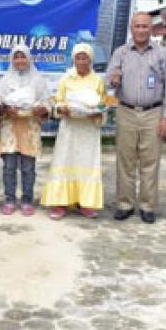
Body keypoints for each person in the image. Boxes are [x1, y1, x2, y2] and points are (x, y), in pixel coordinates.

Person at [107, 12, 166, 224]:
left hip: (153, 112)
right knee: (125, 161)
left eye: (145, 26)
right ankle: (124, 204)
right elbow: (108, 84)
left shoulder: (163, 54)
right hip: (126, 110)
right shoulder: (121, 53)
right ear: (131, 28)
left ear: (151, 29)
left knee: (150, 161)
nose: (141, 30)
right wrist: (113, 80)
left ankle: (147, 205)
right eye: (137, 26)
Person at [41, 43, 105, 219]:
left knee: (87, 164)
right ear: (73, 59)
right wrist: (63, 109)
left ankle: (85, 203)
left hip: (88, 131)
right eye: (78, 57)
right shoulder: (66, 78)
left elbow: (102, 104)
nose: (82, 61)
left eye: (85, 57)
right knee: (64, 162)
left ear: (91, 59)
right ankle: (60, 203)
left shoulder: (97, 81)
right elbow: (58, 102)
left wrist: (97, 112)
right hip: (69, 129)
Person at [0, 44, 50, 216]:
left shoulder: (38, 80)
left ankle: (27, 200)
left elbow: (47, 102)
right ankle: (10, 199)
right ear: (12, 59)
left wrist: (41, 109)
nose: (20, 61)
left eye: (23, 57)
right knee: (9, 167)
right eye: (16, 57)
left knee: (28, 168)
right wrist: (4, 109)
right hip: (9, 128)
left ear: (29, 59)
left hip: (29, 127)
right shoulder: (5, 80)